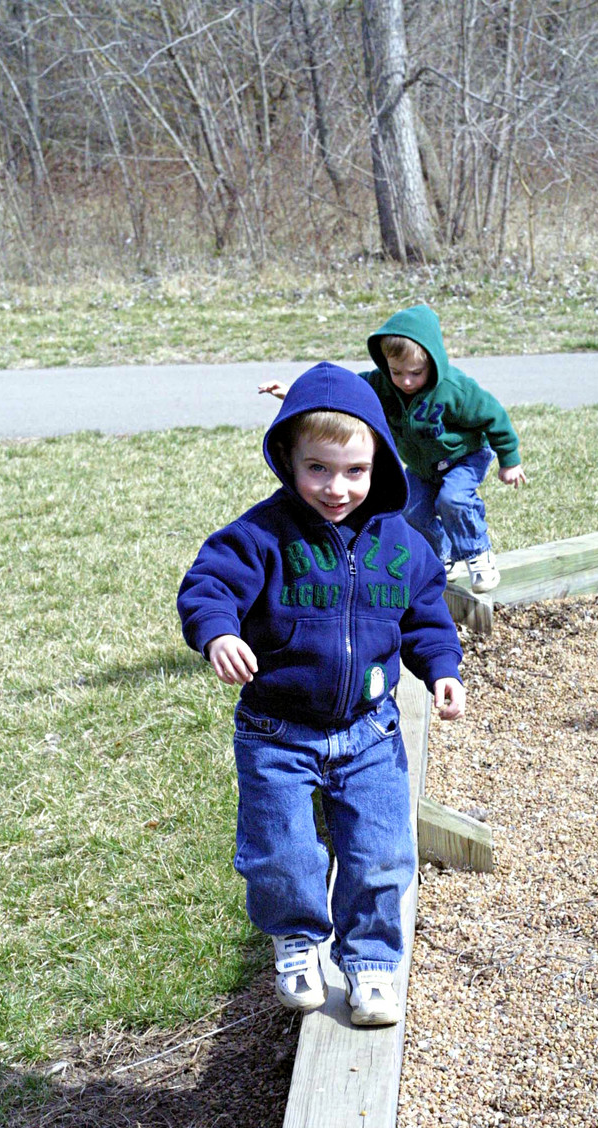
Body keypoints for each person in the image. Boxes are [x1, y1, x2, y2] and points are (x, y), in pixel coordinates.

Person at [179, 361, 465, 1027]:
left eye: (355, 471)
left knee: (381, 852)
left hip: (371, 731)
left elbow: (425, 614)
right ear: (288, 458)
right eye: (318, 469)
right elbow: (208, 585)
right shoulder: (261, 533)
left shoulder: (402, 543)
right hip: (277, 728)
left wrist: (442, 669)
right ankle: (297, 940)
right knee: (280, 852)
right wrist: (218, 632)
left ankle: (371, 963)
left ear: (381, 463)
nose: (337, 488)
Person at [260, 304, 526, 593]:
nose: (406, 381)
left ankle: (478, 554)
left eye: (416, 372)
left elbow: (495, 418)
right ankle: (443, 555)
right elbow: (342, 390)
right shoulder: (380, 384)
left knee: (453, 499)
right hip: (423, 466)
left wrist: (509, 461)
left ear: (433, 362)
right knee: (409, 509)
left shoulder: (456, 389)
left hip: (464, 456)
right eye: (396, 372)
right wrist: (294, 393)